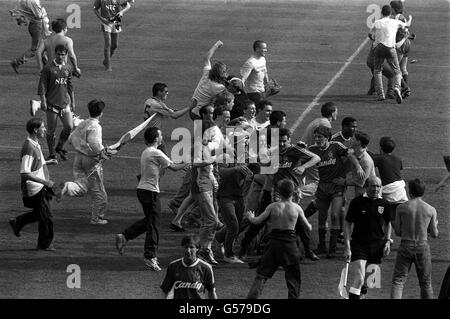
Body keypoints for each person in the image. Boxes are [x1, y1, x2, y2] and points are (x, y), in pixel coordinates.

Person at [115, 127, 186, 271]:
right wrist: (191, 162)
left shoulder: (147, 152)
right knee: (154, 224)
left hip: (144, 190)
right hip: (149, 192)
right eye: (160, 135)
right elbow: (174, 167)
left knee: (150, 220)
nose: (162, 137)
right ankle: (150, 256)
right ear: (156, 139)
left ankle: (125, 236)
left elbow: (170, 165)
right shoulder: (156, 152)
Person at [245, 179, 312, 299]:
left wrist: (251, 217)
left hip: (274, 244)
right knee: (293, 278)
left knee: (261, 275)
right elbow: (308, 227)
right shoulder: (297, 208)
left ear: (279, 193)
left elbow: (257, 221)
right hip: (290, 245)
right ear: (293, 192)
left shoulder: (273, 207)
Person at [56, 99, 115, 225]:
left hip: (79, 158)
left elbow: (71, 138)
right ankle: (97, 218)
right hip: (91, 161)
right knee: (98, 191)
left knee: (82, 185)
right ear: (101, 113)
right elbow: (94, 144)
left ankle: (68, 186)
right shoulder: (96, 126)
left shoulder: (83, 123)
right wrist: (105, 152)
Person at [309, 126, 364, 258]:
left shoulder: (336, 146)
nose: (317, 139)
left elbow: (349, 155)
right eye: (315, 137)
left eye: (320, 137)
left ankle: (332, 248)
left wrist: (358, 166)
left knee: (334, 215)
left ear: (327, 137)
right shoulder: (312, 149)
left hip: (336, 187)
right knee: (322, 216)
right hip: (322, 187)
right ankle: (321, 247)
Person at [9, 118, 58, 251]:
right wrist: (45, 182)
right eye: (43, 127)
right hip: (36, 188)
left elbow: (36, 163)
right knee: (46, 216)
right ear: (36, 130)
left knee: (40, 214)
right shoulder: (29, 147)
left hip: (41, 186)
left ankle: (18, 222)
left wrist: (48, 163)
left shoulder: (35, 143)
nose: (45, 129)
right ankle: (44, 245)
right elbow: (25, 173)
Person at [344, 176, 393, 299]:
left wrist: (387, 241)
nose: (376, 188)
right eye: (373, 185)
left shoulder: (385, 204)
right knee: (359, 278)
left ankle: (361, 294)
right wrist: (347, 247)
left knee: (370, 281)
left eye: (378, 186)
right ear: (366, 187)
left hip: (377, 246)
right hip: (359, 244)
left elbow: (388, 223)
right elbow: (347, 224)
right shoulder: (356, 202)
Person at [390, 178, 439, 299]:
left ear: (410, 191)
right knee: (425, 283)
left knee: (398, 281)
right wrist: (433, 226)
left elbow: (397, 231)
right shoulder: (431, 209)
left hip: (406, 244)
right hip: (422, 245)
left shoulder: (401, 208)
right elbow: (434, 234)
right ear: (423, 191)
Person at [38, 44, 75, 161]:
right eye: (58, 54)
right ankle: (52, 153)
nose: (60, 56)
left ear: (66, 55)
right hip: (52, 104)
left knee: (69, 126)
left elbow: (70, 86)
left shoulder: (68, 68)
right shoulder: (48, 68)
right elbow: (42, 86)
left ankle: (59, 147)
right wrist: (43, 101)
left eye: (62, 54)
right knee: (50, 131)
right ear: (55, 54)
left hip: (65, 103)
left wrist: (73, 101)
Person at [369, 5, 411, 103]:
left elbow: (370, 34)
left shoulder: (377, 22)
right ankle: (397, 88)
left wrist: (375, 39)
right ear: (390, 13)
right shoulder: (395, 22)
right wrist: (410, 19)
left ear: (381, 13)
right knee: (397, 70)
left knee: (377, 70)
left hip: (379, 48)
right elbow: (406, 25)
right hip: (390, 48)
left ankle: (380, 94)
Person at [143, 82, 194, 153]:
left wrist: (177, 110)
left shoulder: (149, 101)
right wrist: (190, 107)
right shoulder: (157, 105)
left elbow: (170, 111)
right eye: (165, 91)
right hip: (154, 136)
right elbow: (175, 115)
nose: (167, 93)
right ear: (159, 92)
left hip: (148, 133)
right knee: (165, 160)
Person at [370, 136, 408, 225]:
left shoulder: (379, 158)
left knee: (382, 216)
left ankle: (384, 236)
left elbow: (372, 158)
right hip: (401, 191)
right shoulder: (398, 159)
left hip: (388, 192)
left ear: (380, 147)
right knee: (401, 219)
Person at [190, 40, 228, 120]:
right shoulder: (218, 87)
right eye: (224, 71)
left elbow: (206, 58)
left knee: (201, 132)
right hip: (200, 114)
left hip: (193, 110)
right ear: (221, 73)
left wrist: (216, 45)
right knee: (206, 132)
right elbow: (229, 94)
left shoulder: (207, 73)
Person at [10, 0, 50, 73]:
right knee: (34, 50)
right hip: (37, 26)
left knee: (41, 47)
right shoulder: (33, 2)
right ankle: (16, 62)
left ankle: (47, 67)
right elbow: (39, 16)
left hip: (34, 26)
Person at [93, 0, 133, 71]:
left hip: (116, 21)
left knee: (114, 45)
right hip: (106, 22)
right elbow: (95, 9)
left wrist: (121, 12)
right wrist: (102, 19)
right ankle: (108, 66)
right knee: (108, 43)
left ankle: (106, 61)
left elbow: (128, 4)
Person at [240, 40, 270, 104]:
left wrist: (268, 84)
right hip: (253, 93)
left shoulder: (263, 59)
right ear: (257, 49)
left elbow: (265, 72)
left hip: (262, 91)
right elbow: (243, 78)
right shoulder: (250, 62)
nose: (266, 50)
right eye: (264, 48)